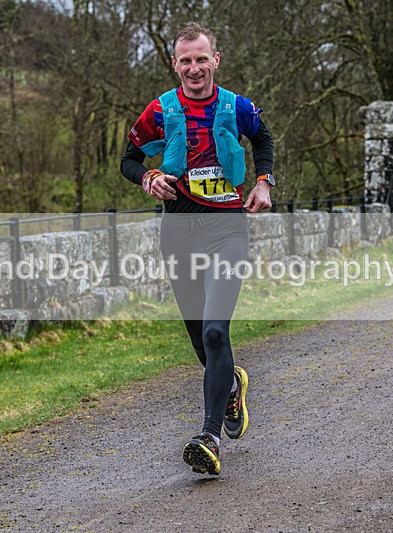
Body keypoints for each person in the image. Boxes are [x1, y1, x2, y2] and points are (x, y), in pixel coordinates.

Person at [120, 21, 274, 475]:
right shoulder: (160, 110)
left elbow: (263, 139)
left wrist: (263, 181)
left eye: (201, 59)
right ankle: (230, 388)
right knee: (198, 339)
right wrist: (148, 177)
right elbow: (129, 160)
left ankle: (209, 437)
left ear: (215, 61)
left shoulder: (236, 106)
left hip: (227, 230)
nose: (194, 68)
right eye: (186, 60)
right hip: (178, 233)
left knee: (215, 332)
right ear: (175, 64)